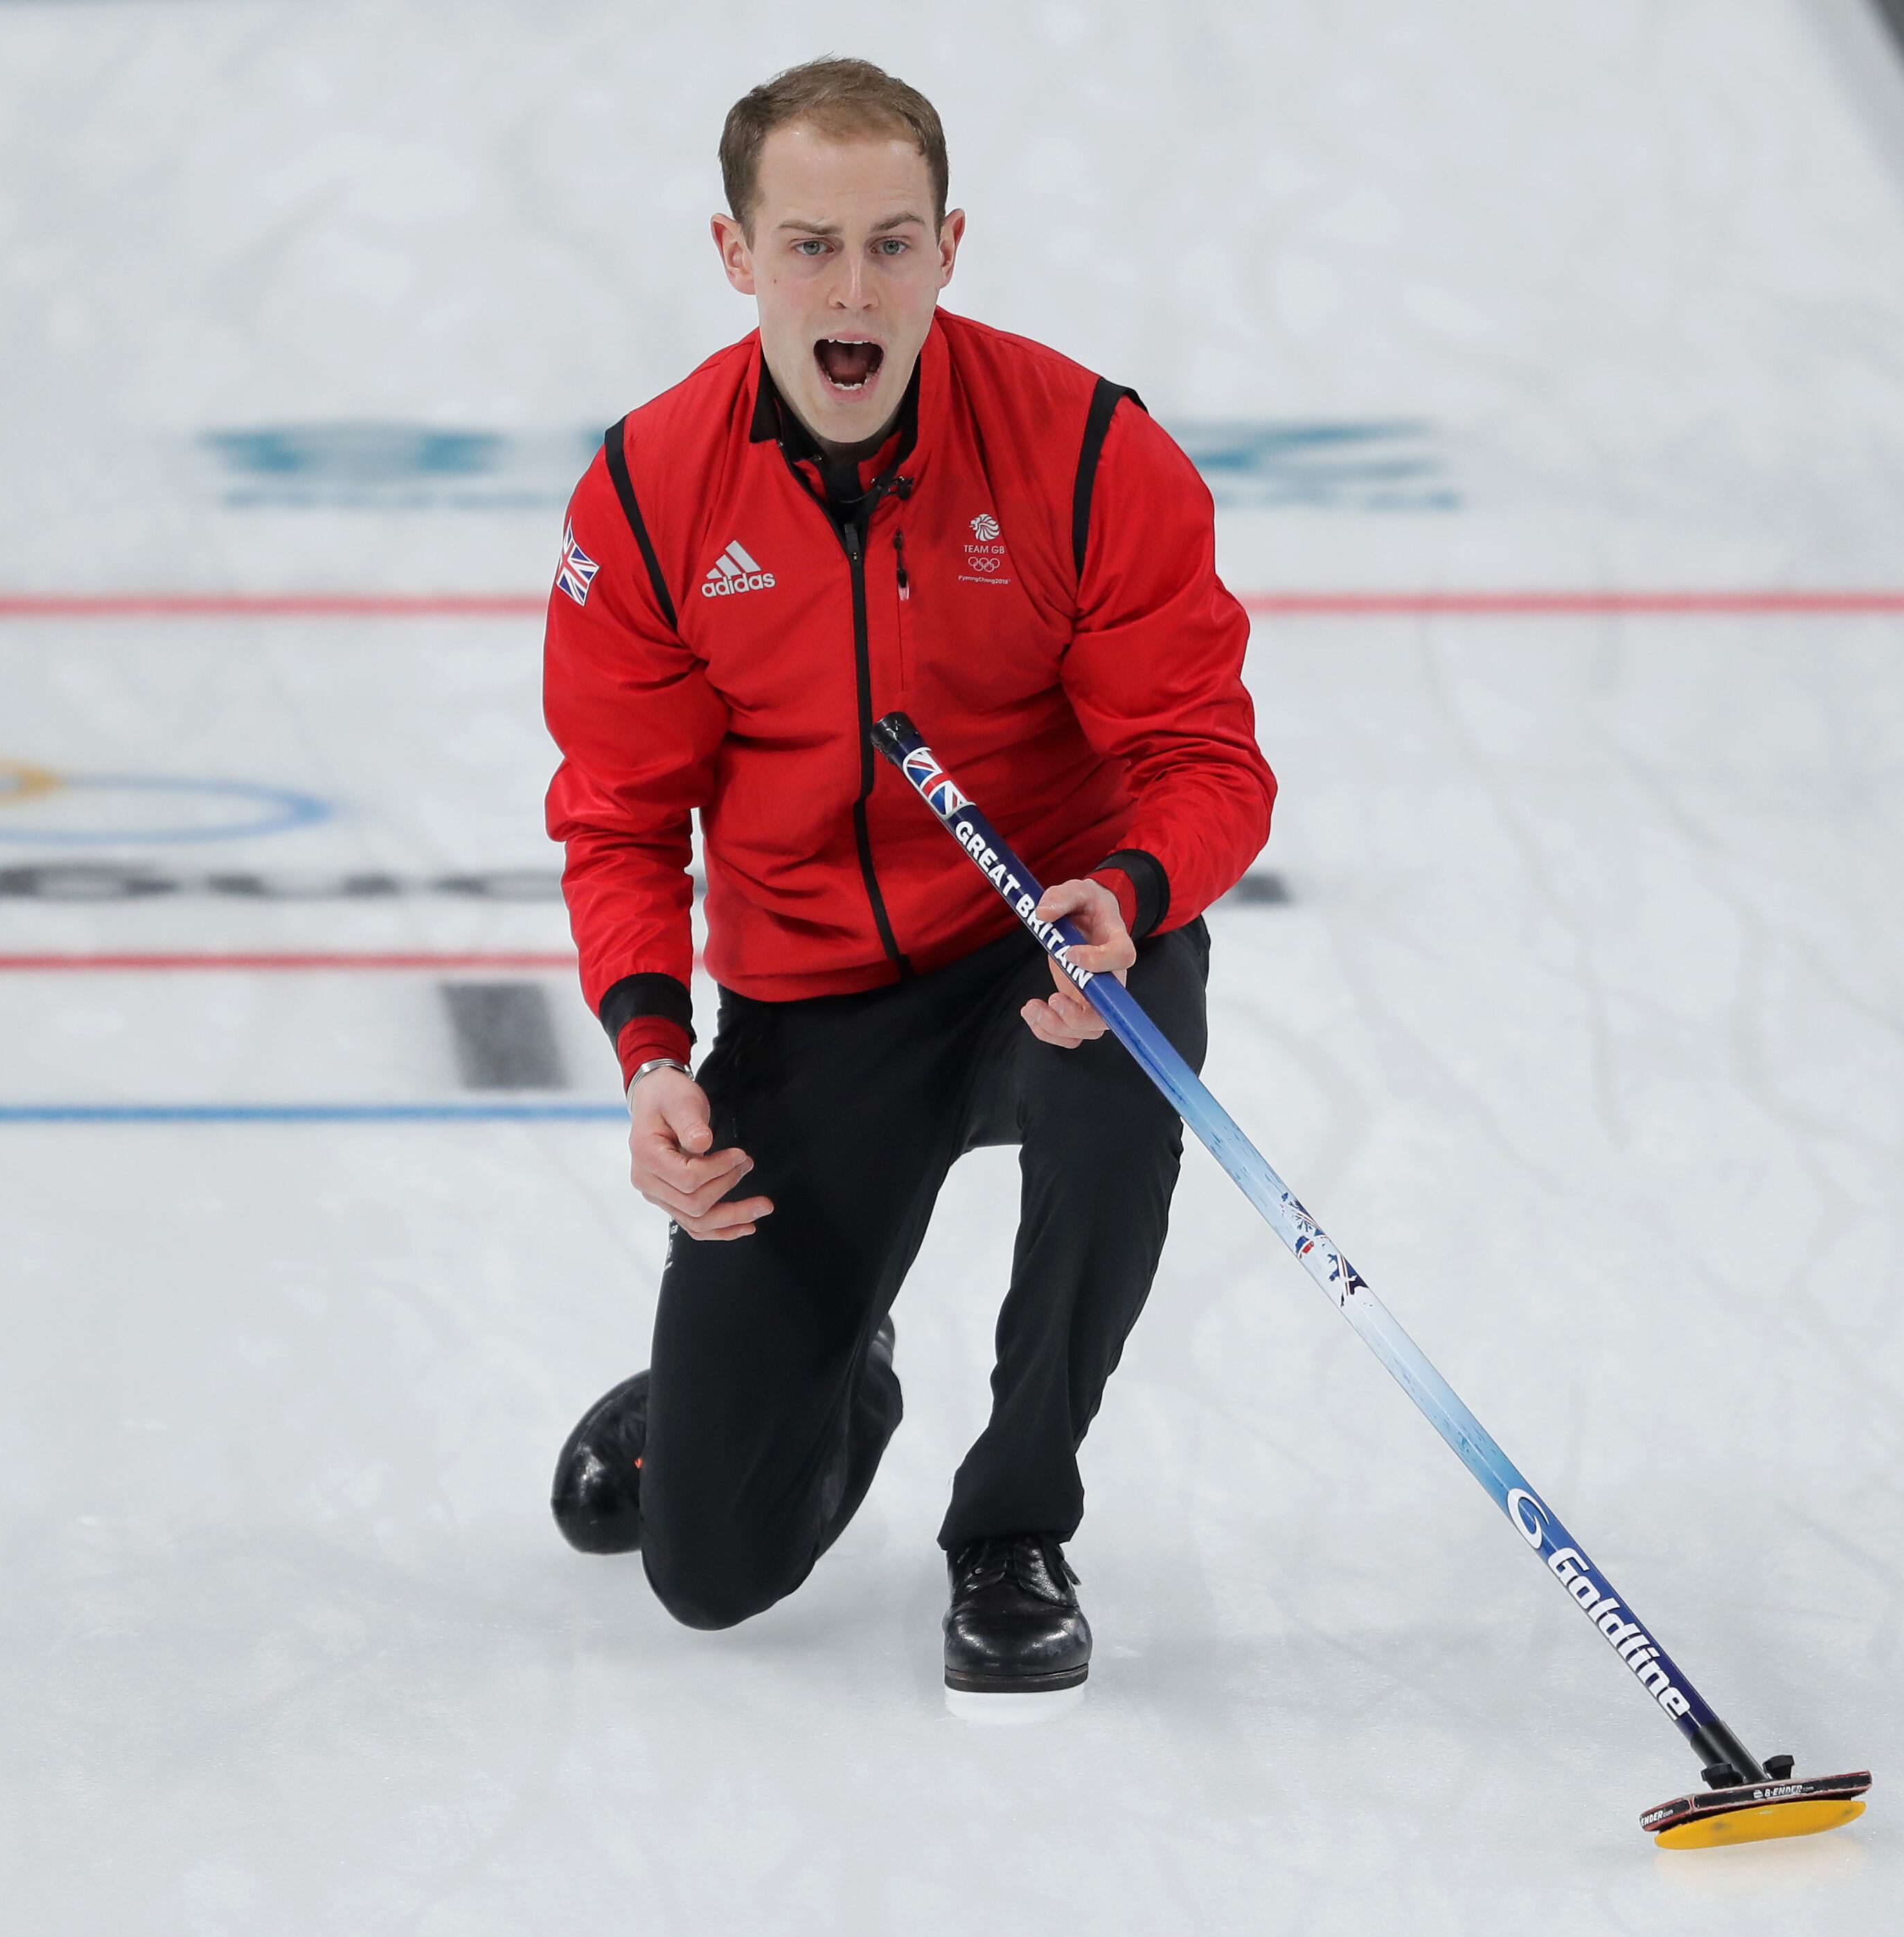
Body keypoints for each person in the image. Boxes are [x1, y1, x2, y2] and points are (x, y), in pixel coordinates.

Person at [542, 56, 1274, 1702]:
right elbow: (617, 813)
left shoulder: (1088, 454)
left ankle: (1013, 1525)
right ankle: (818, 1358)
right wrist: (653, 1051)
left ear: (950, 246)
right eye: (809, 246)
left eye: (890, 243)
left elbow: (1207, 760)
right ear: (737, 257)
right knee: (710, 1572)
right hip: (816, 999)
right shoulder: (654, 494)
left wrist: (1134, 893)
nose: (852, 289)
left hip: (1047, 945)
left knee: (1125, 1055)